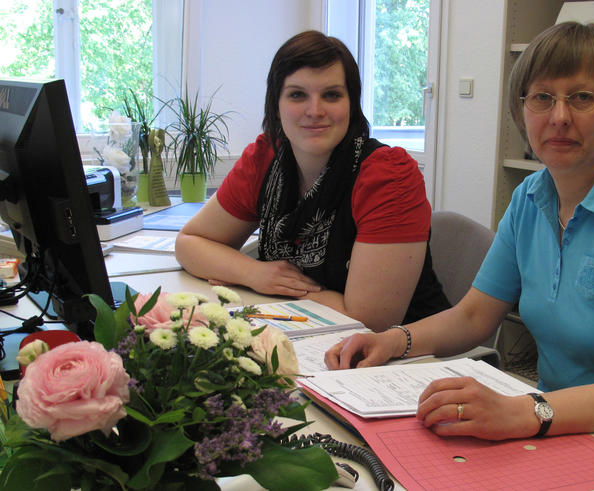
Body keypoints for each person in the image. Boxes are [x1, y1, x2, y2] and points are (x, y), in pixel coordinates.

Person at [325, 22, 594, 469]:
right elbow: (475, 315)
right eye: (542, 97)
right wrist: (393, 341)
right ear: (522, 109)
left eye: (583, 97)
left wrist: (518, 410)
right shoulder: (531, 197)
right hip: (562, 431)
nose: (559, 117)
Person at [175, 30, 450, 332]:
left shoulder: (388, 177)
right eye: (297, 95)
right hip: (304, 331)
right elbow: (190, 243)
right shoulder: (266, 158)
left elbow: (371, 319)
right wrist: (254, 273)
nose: (315, 111)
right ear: (276, 106)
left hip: (407, 356)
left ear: (351, 104)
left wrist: (281, 287)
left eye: (332, 95)